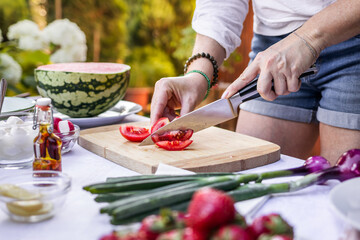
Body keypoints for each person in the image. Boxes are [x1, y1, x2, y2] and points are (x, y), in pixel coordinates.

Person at [150, 0, 360, 165]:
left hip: (353, 33)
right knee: (250, 182)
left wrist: (307, 40)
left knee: (344, 194)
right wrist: (198, 74)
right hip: (272, 53)